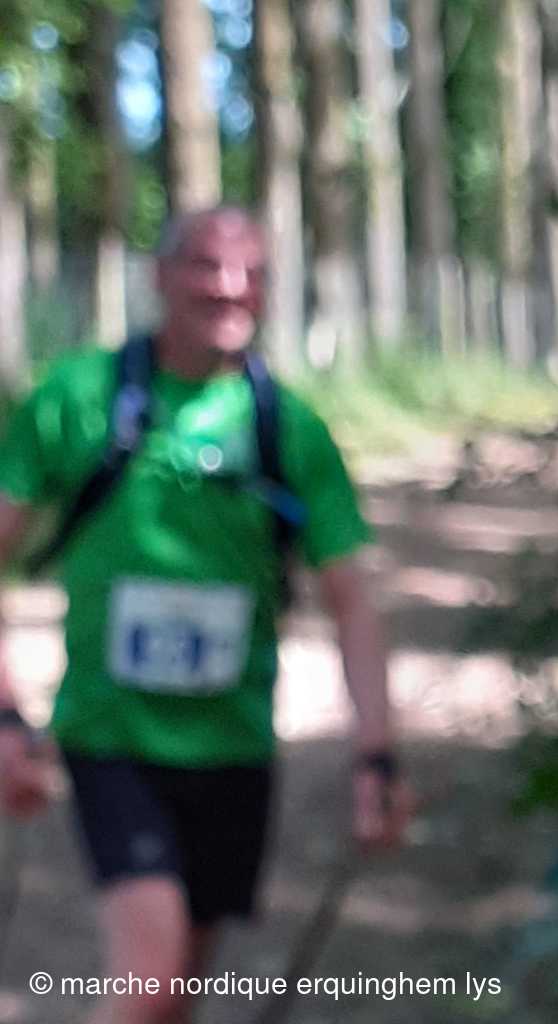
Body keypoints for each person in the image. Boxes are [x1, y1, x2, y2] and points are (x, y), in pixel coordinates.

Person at [0, 206, 411, 1024]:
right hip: (111, 738)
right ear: (159, 276)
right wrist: (6, 715)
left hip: (235, 746)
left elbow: (353, 604)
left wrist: (378, 756)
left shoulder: (291, 430)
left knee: (179, 991)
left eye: (251, 273)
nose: (230, 289)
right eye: (207, 267)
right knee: (148, 985)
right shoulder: (76, 399)